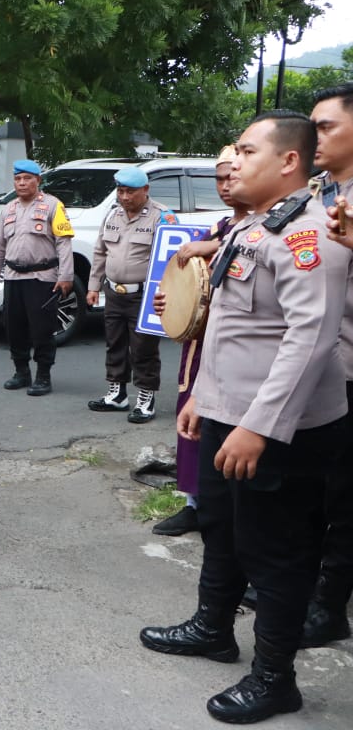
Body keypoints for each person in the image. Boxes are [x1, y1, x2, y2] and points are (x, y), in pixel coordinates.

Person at [141, 111, 350, 724]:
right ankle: (212, 627)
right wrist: (206, 397)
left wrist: (259, 426)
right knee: (221, 524)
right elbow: (230, 326)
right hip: (229, 414)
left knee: (279, 553)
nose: (233, 161)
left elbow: (310, 339)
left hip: (281, 429)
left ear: (290, 162)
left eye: (248, 151)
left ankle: (274, 677)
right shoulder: (255, 229)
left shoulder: (310, 236)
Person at [149, 146, 245, 537]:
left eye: (231, 177)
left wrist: (215, 247)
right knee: (189, 418)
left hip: (238, 350)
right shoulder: (219, 226)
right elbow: (192, 287)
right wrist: (168, 304)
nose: (224, 186)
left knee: (226, 428)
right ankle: (194, 503)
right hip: (200, 345)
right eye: (219, 179)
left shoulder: (265, 226)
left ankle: (224, 513)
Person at [312, 81, 353, 647]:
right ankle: (305, 585)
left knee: (345, 496)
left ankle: (329, 605)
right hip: (320, 364)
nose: (313, 135)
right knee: (319, 489)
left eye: (326, 127)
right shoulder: (317, 192)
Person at [85, 167, 176, 422]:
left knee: (143, 348)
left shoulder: (162, 217)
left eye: (130, 192)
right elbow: (100, 252)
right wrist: (93, 286)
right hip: (114, 292)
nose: (124, 197)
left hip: (144, 296)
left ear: (145, 190)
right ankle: (117, 394)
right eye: (121, 191)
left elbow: (171, 260)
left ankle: (146, 398)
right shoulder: (113, 214)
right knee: (114, 343)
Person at [0, 159, 74, 396]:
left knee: (42, 329)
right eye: (18, 179)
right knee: (14, 327)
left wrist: (66, 276)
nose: (22, 183)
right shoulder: (8, 209)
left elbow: (64, 243)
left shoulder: (54, 205)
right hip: (13, 277)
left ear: (38, 181)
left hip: (42, 276)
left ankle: (43, 376)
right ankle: (21, 372)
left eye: (27, 178)